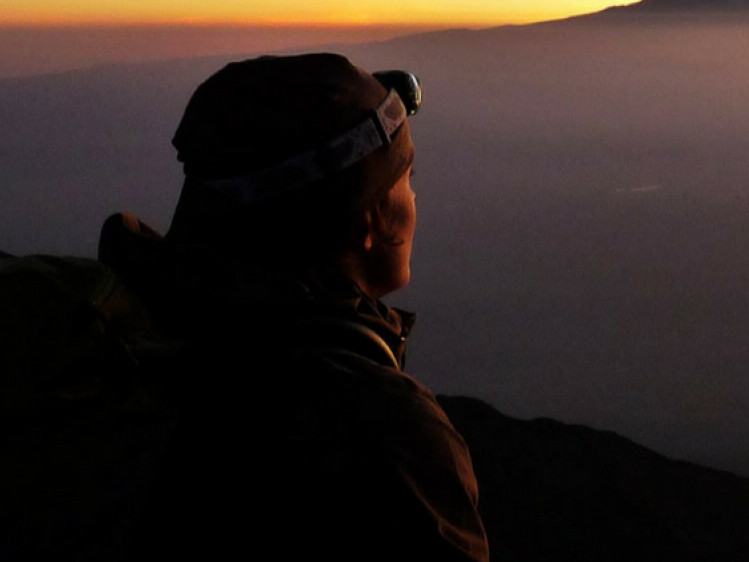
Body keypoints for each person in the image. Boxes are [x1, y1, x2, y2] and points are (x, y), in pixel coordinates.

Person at [98, 53, 489, 561]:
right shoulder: (384, 436)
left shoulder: (129, 335)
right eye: (405, 179)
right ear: (366, 223)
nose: (416, 199)